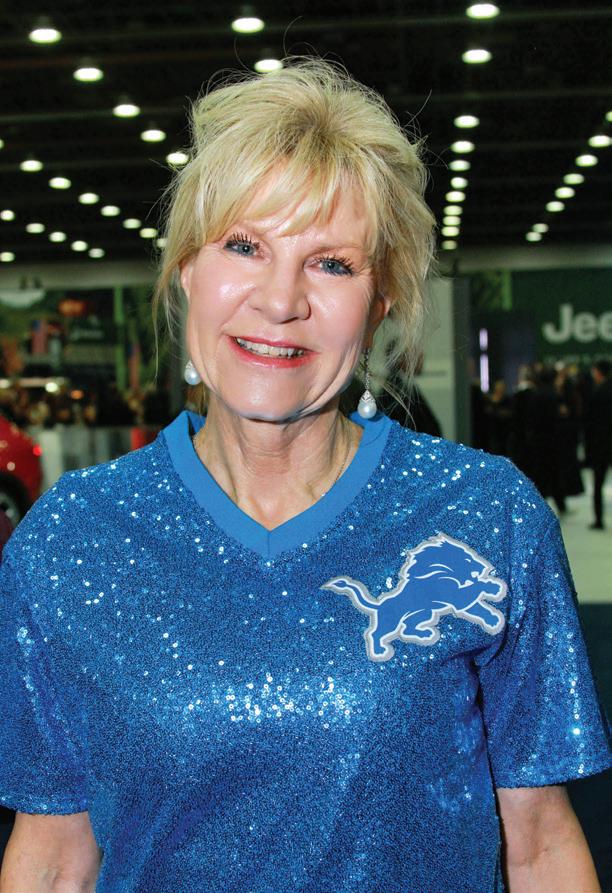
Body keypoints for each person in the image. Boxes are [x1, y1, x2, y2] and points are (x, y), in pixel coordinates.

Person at [0, 59, 610, 893]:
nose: (281, 299)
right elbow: (53, 857)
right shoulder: (71, 539)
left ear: (381, 301)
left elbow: (538, 845)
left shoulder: (486, 512)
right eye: (244, 245)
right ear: (187, 269)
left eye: (332, 263)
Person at [584, 359, 612, 530]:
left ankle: (599, 518)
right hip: (605, 442)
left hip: (600, 443)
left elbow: (591, 422)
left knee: (598, 483)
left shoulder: (597, 392)